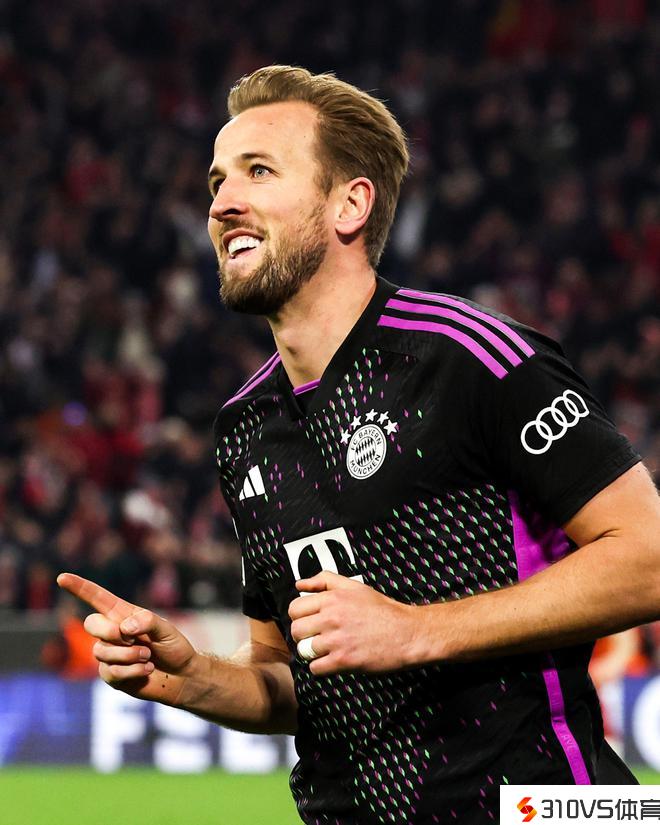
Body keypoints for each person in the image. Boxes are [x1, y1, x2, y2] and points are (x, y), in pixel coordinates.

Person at [58, 65, 660, 823]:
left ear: (350, 204)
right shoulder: (244, 427)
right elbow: (292, 676)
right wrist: (192, 678)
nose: (221, 202)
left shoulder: (468, 358)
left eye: (258, 171)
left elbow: (648, 557)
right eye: (217, 180)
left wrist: (416, 630)